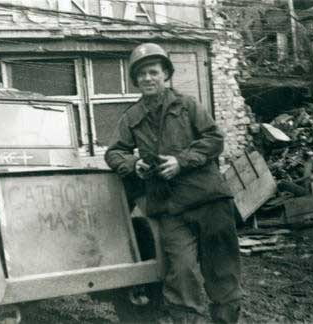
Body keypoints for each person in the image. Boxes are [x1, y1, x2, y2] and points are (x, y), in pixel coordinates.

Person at [104, 43, 241, 324]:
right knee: (181, 272)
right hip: (169, 207)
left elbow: (214, 139)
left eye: (153, 72)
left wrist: (181, 161)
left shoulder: (188, 106)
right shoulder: (131, 118)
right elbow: (114, 152)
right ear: (135, 80)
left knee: (221, 270)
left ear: (166, 74)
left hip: (209, 199)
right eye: (141, 74)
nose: (147, 79)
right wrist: (135, 165)